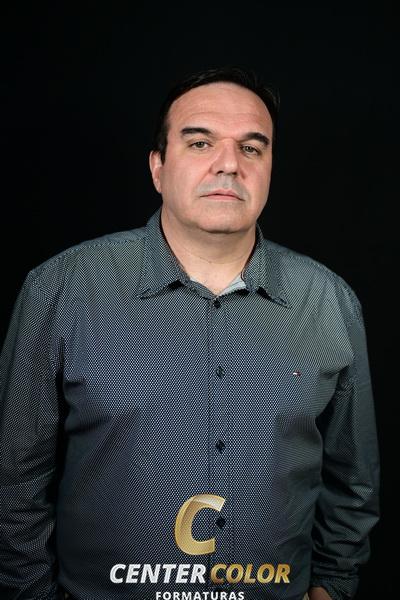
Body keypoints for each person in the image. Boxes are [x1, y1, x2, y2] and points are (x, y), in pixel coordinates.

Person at [0, 66, 379, 600]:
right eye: (200, 143)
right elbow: (14, 480)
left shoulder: (330, 302)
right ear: (158, 167)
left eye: (251, 148)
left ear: (270, 168)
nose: (229, 164)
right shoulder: (60, 289)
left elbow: (353, 479)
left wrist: (333, 586)